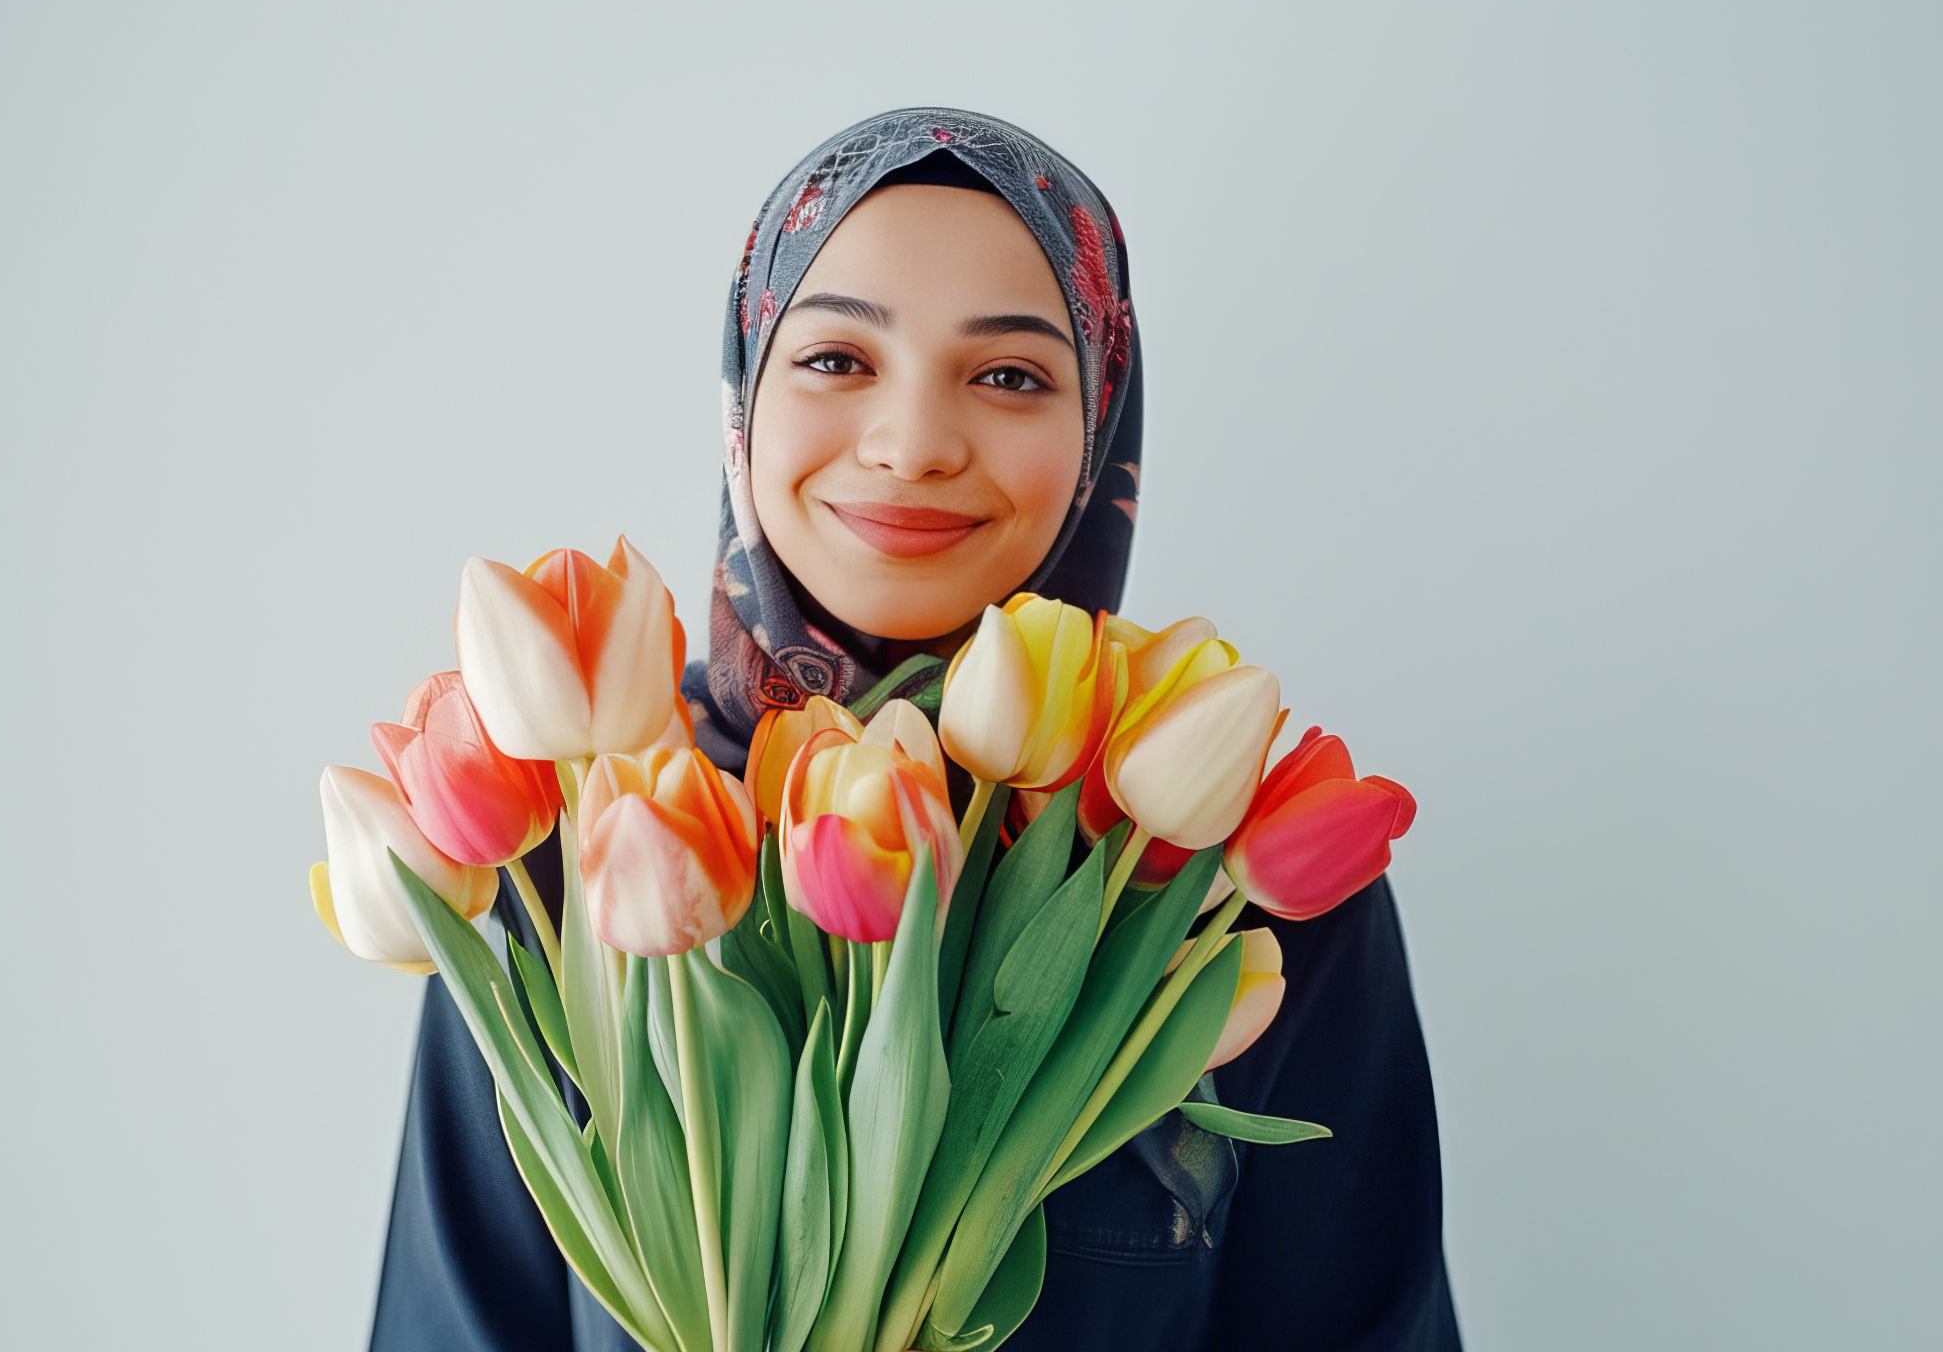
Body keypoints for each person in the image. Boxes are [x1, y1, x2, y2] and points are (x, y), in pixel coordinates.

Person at [370, 108, 1460, 1351]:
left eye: (1009, 376)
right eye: (837, 360)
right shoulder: (566, 843)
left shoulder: (1219, 881)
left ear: (1101, 424)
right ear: (746, 394)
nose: (913, 445)